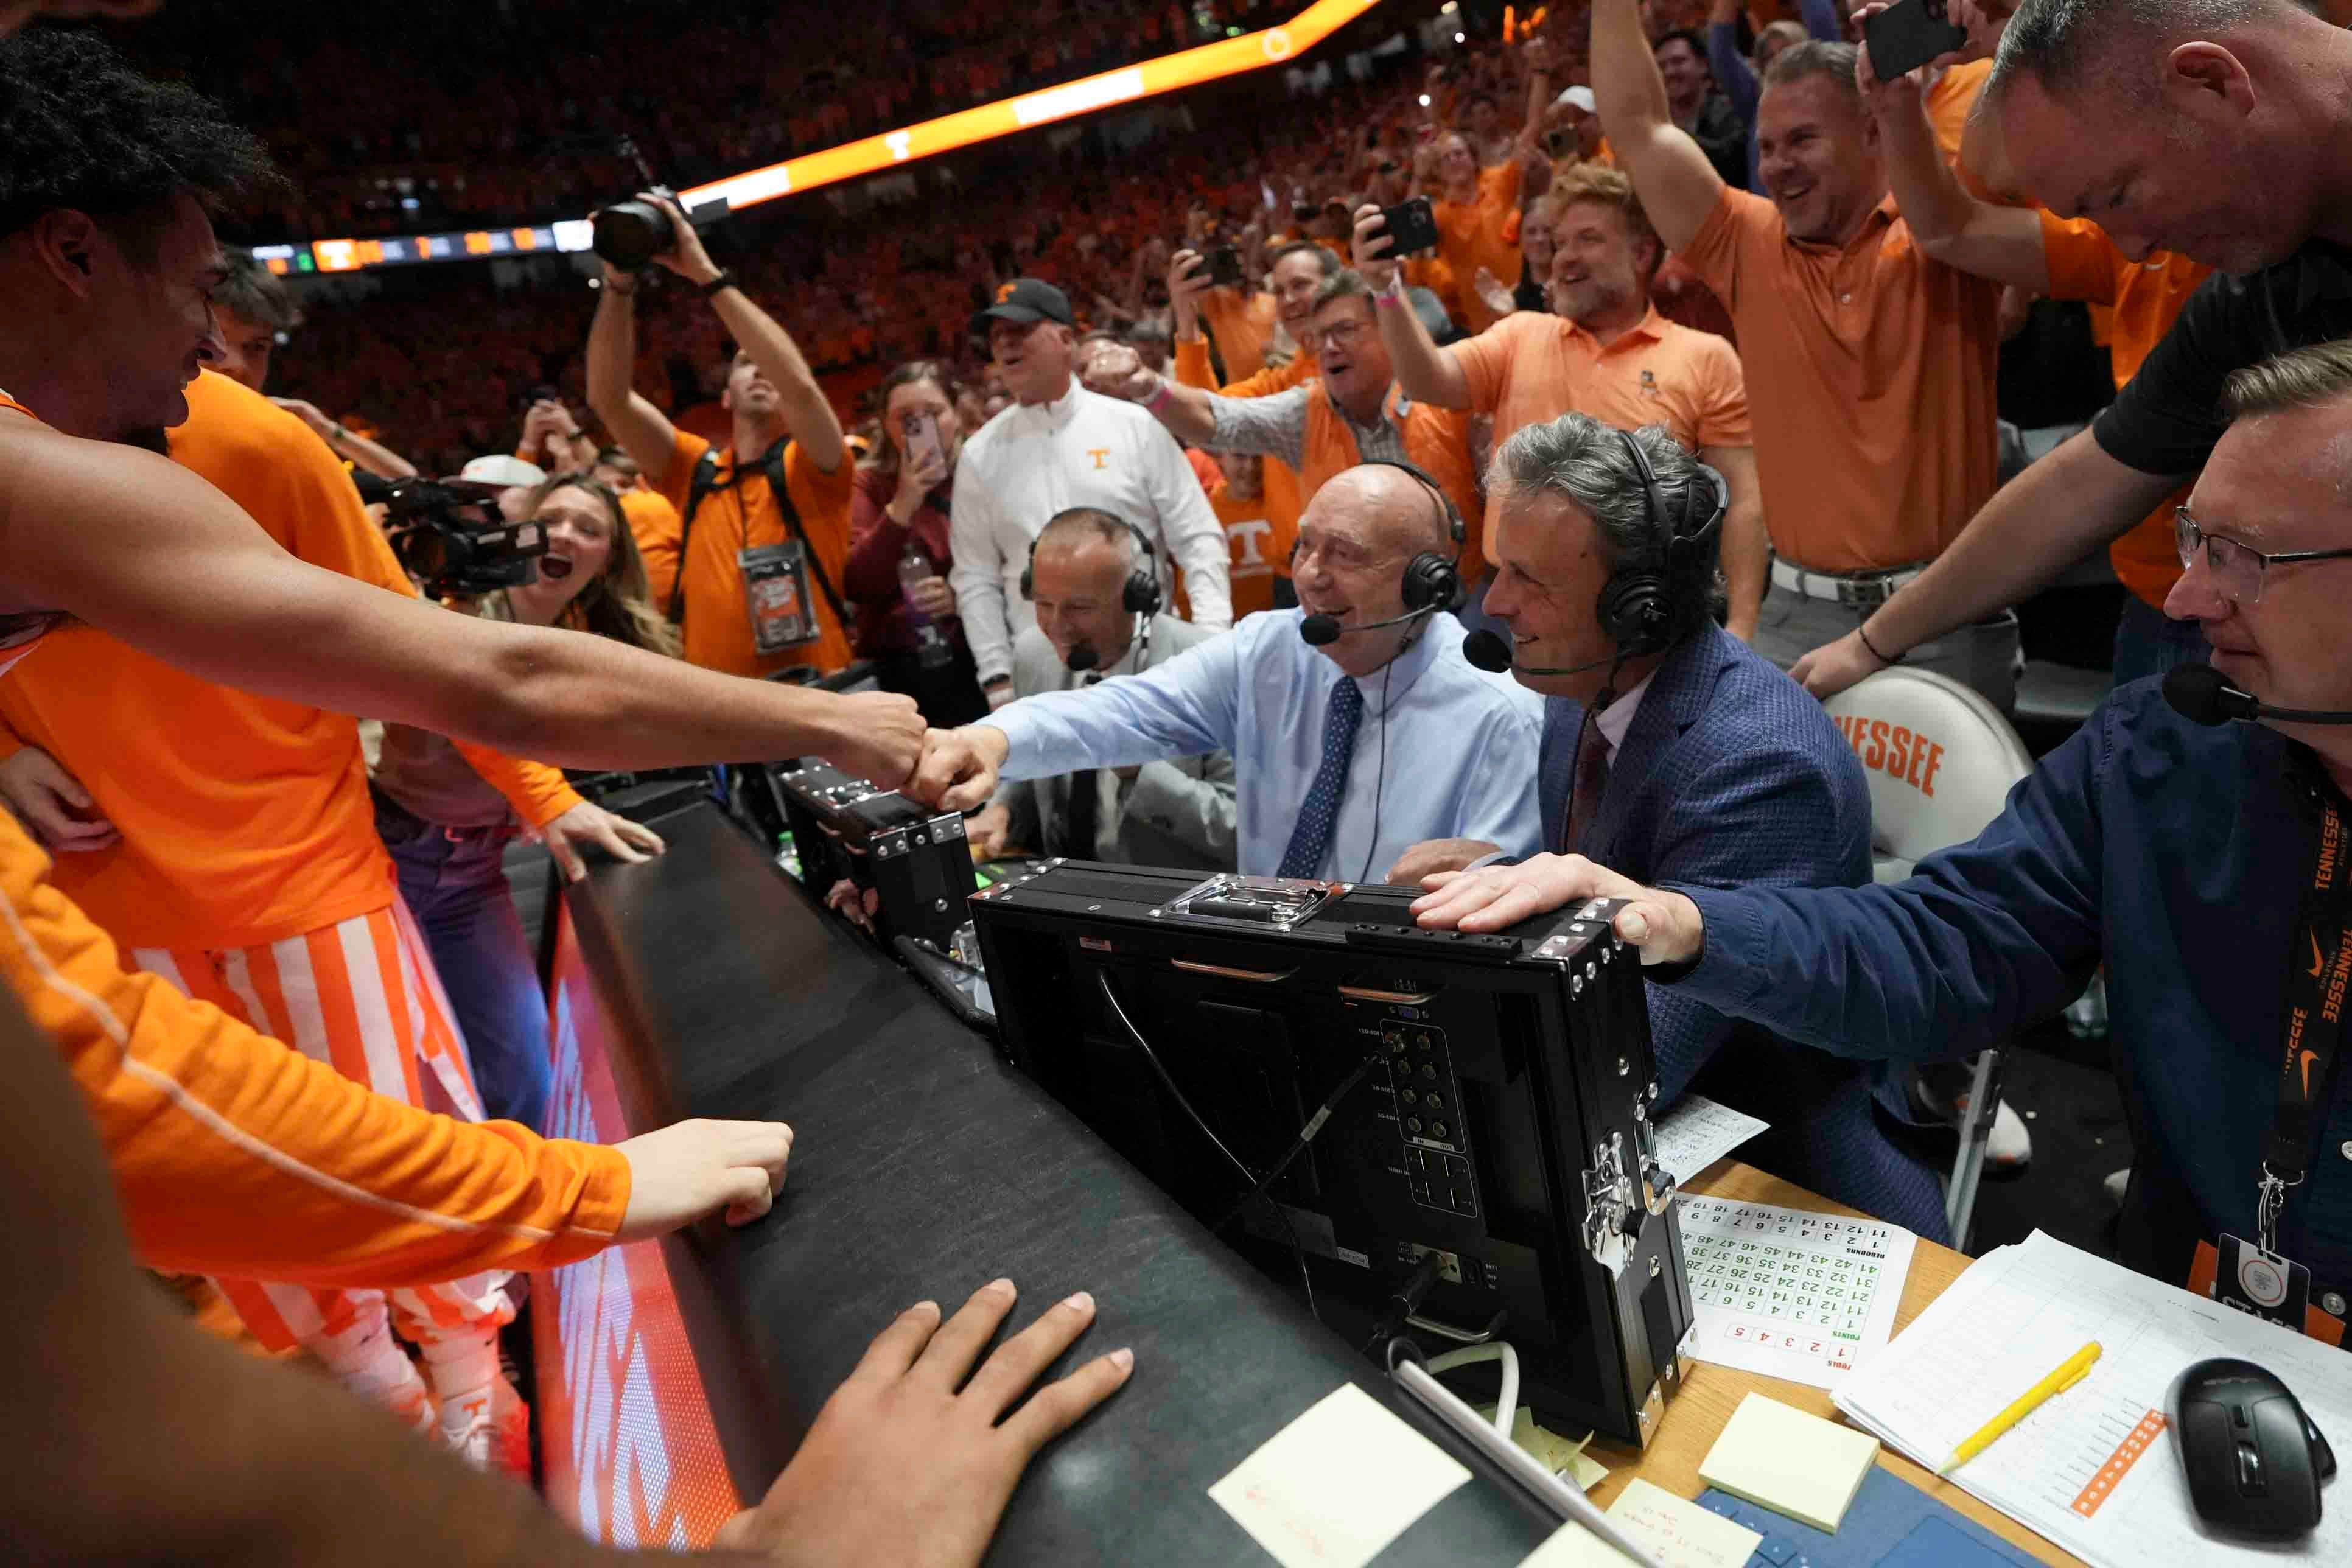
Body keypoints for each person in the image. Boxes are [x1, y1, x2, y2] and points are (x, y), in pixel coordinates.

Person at [0, 19, 1123, 1559]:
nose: (214, 346)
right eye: (197, 295)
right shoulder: (67, 466)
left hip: (292, 882)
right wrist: (575, 1191)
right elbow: (113, 1100)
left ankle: (470, 1374)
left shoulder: (164, 456)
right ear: (69, 254)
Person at [1419, 338, 2352, 1308]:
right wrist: (1687, 925)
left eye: (2245, 557)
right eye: (2196, 541)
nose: (2187, 596)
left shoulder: (1754, 753)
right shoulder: (2164, 748)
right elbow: (1944, 943)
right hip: (2191, 1304)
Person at [1399, 412, 1946, 1237]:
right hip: (1669, 1125)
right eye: (1496, 567)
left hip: (1783, 1176)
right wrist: (1492, 894)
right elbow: (1615, 901)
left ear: (1639, 609)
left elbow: (1631, 1062)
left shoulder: (1763, 766)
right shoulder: (1583, 685)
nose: (1495, 603)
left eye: (1530, 580)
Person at [1787, 0, 2352, 700]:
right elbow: (2089, 479)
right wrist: (1871, 640)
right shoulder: (2267, 277)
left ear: (2211, 82)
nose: (2133, 248)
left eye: (2117, 195)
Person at [1591, 0, 2012, 706]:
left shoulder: (1952, 234)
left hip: (1946, 612)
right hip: (1796, 622)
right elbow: (1639, 129)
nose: (1777, 167)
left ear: (1874, 129)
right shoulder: (1746, 246)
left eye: (1803, 140)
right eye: (1768, 146)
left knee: (1971, 823)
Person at [1819, 18, 2213, 690]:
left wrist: (2020, 37)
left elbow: (2083, 487)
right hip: (2156, 598)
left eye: (2111, 195)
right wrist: (1899, 108)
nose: (2126, 236)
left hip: (2265, 605)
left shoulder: (2237, 247)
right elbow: (1954, 222)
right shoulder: (2127, 232)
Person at [911, 464, 1543, 882]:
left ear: (1424, 582)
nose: (1311, 575)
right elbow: (1127, 710)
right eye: (1304, 547)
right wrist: (995, 738)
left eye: (1345, 554)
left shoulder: (1501, 717)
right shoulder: (1270, 647)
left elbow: (1500, 903)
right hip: (1257, 968)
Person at [373, 472, 675, 1141]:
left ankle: (517, 1237)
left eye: (589, 528)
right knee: (400, 1088)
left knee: (524, 1081)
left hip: (475, 875)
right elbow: (471, 706)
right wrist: (552, 800)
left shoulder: (575, 645)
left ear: (604, 564)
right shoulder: (465, 604)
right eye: (554, 518)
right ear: (521, 532)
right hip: (389, 858)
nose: (567, 533)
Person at [1357, 163, 1765, 639]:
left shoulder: (1705, 357)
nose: (1565, 258)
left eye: (1588, 239)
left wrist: (1741, 625)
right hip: (1512, 612)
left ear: (1641, 252)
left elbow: (1740, 504)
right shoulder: (1520, 334)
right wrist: (1386, 289)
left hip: (1642, 620)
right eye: (1559, 244)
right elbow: (1428, 380)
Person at [584, 195, 859, 680]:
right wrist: (618, 284)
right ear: (726, 396)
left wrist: (706, 274)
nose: (761, 372)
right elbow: (610, 400)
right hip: (723, 721)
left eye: (767, 362)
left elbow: (798, 385)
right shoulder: (694, 470)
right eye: (745, 364)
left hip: (820, 699)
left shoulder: (816, 466)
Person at [947, 278, 1233, 707]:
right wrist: (997, 676)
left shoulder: (1134, 425)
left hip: (1150, 661)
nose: (1005, 344)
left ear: (1066, 339)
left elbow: (1196, 536)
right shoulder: (979, 455)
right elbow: (975, 577)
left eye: (1021, 330)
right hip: (1042, 675)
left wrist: (1212, 637)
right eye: (996, 336)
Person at [1087, 270, 1485, 567]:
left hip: (1458, 607)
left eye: (1345, 330)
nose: (1328, 348)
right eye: (1321, 336)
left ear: (1389, 333)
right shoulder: (1304, 411)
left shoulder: (1447, 394)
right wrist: (1148, 386)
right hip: (1351, 625)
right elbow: (1216, 418)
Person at [964, 509, 1237, 871]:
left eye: (1079, 608)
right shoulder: (1034, 654)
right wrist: (1004, 809)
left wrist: (1139, 771)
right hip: (1065, 895)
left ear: (1136, 599)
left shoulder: (1210, 668)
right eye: (1043, 604)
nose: (1057, 627)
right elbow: (1039, 774)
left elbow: (1239, 832)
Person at [1167, 240, 1346, 598]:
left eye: (1300, 285)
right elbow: (1205, 414)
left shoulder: (1371, 362)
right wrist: (1185, 315)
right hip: (1291, 577)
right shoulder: (1278, 382)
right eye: (1280, 291)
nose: (1289, 299)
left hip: (1356, 567)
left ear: (1336, 286)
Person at [844, 360, 989, 726]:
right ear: (885, 424)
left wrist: (961, 596)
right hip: (901, 669)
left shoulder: (984, 469)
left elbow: (1018, 564)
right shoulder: (869, 483)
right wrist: (904, 503)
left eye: (933, 412)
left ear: (956, 413)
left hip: (982, 652)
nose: (919, 425)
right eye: (905, 416)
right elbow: (858, 584)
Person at [1709, 0, 1844, 189]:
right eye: (1768, 56)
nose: (1778, 60)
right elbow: (1721, 52)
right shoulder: (1755, 104)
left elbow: (1821, 19)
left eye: (1788, 50)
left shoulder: (1827, 89)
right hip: (1772, 217)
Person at [1653, 27, 1751, 191]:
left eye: (1678, 61)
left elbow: (1732, 162)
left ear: (1703, 66)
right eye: (1661, 67)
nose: (1669, 72)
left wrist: (1673, 134)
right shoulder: (1657, 124)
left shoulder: (1730, 111)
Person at [1203, 448, 1280, 618]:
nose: (1250, 467)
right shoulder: (1205, 512)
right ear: (1220, 457)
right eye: (1239, 456)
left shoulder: (1284, 503)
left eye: (1259, 457)